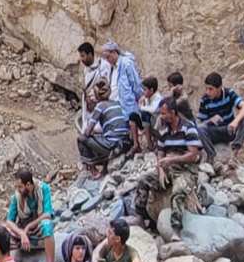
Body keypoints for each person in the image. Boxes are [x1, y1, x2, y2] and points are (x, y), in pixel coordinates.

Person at [133, 98, 203, 228]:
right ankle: (142, 217)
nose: (161, 116)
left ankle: (176, 227)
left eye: (164, 113)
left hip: (185, 169)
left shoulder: (189, 128)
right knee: (143, 180)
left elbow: (193, 155)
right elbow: (160, 154)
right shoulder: (163, 130)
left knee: (178, 192)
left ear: (173, 112)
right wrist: (160, 171)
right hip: (167, 167)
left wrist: (172, 160)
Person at [78, 79, 132, 176]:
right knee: (103, 137)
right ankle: (104, 169)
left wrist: (91, 131)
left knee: (82, 139)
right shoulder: (116, 103)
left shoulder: (100, 106)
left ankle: (93, 171)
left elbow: (87, 133)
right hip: (125, 143)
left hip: (113, 145)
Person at [5, 168, 56, 262]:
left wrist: (29, 226)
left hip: (38, 228)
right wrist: (22, 233)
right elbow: (9, 221)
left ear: (28, 185)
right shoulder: (18, 196)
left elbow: (47, 214)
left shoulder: (43, 189)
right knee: (3, 232)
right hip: (23, 232)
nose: (18, 189)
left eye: (20, 187)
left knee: (46, 224)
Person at [198, 73, 244, 163]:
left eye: (211, 89)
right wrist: (211, 120)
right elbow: (202, 123)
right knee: (200, 129)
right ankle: (211, 155)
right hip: (214, 131)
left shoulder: (228, 94)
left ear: (219, 88)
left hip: (229, 129)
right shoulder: (204, 100)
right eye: (206, 88)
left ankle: (234, 153)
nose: (207, 92)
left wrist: (235, 122)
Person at [101, 42, 144, 129]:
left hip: (126, 104)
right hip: (115, 104)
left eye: (108, 57)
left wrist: (138, 99)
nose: (107, 60)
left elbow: (136, 84)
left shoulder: (126, 64)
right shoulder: (112, 67)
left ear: (114, 53)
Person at [77, 42, 113, 130]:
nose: (81, 59)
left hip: (100, 105)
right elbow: (86, 88)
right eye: (81, 56)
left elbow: (106, 87)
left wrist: (97, 102)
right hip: (88, 105)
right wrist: (87, 100)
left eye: (83, 56)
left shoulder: (103, 66)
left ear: (90, 55)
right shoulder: (86, 69)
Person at [131, 75, 162, 152]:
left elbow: (153, 110)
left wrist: (142, 107)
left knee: (145, 114)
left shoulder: (158, 98)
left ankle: (149, 143)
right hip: (148, 123)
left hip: (156, 124)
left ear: (151, 90)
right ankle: (136, 145)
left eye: (145, 90)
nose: (143, 92)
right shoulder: (147, 98)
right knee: (132, 116)